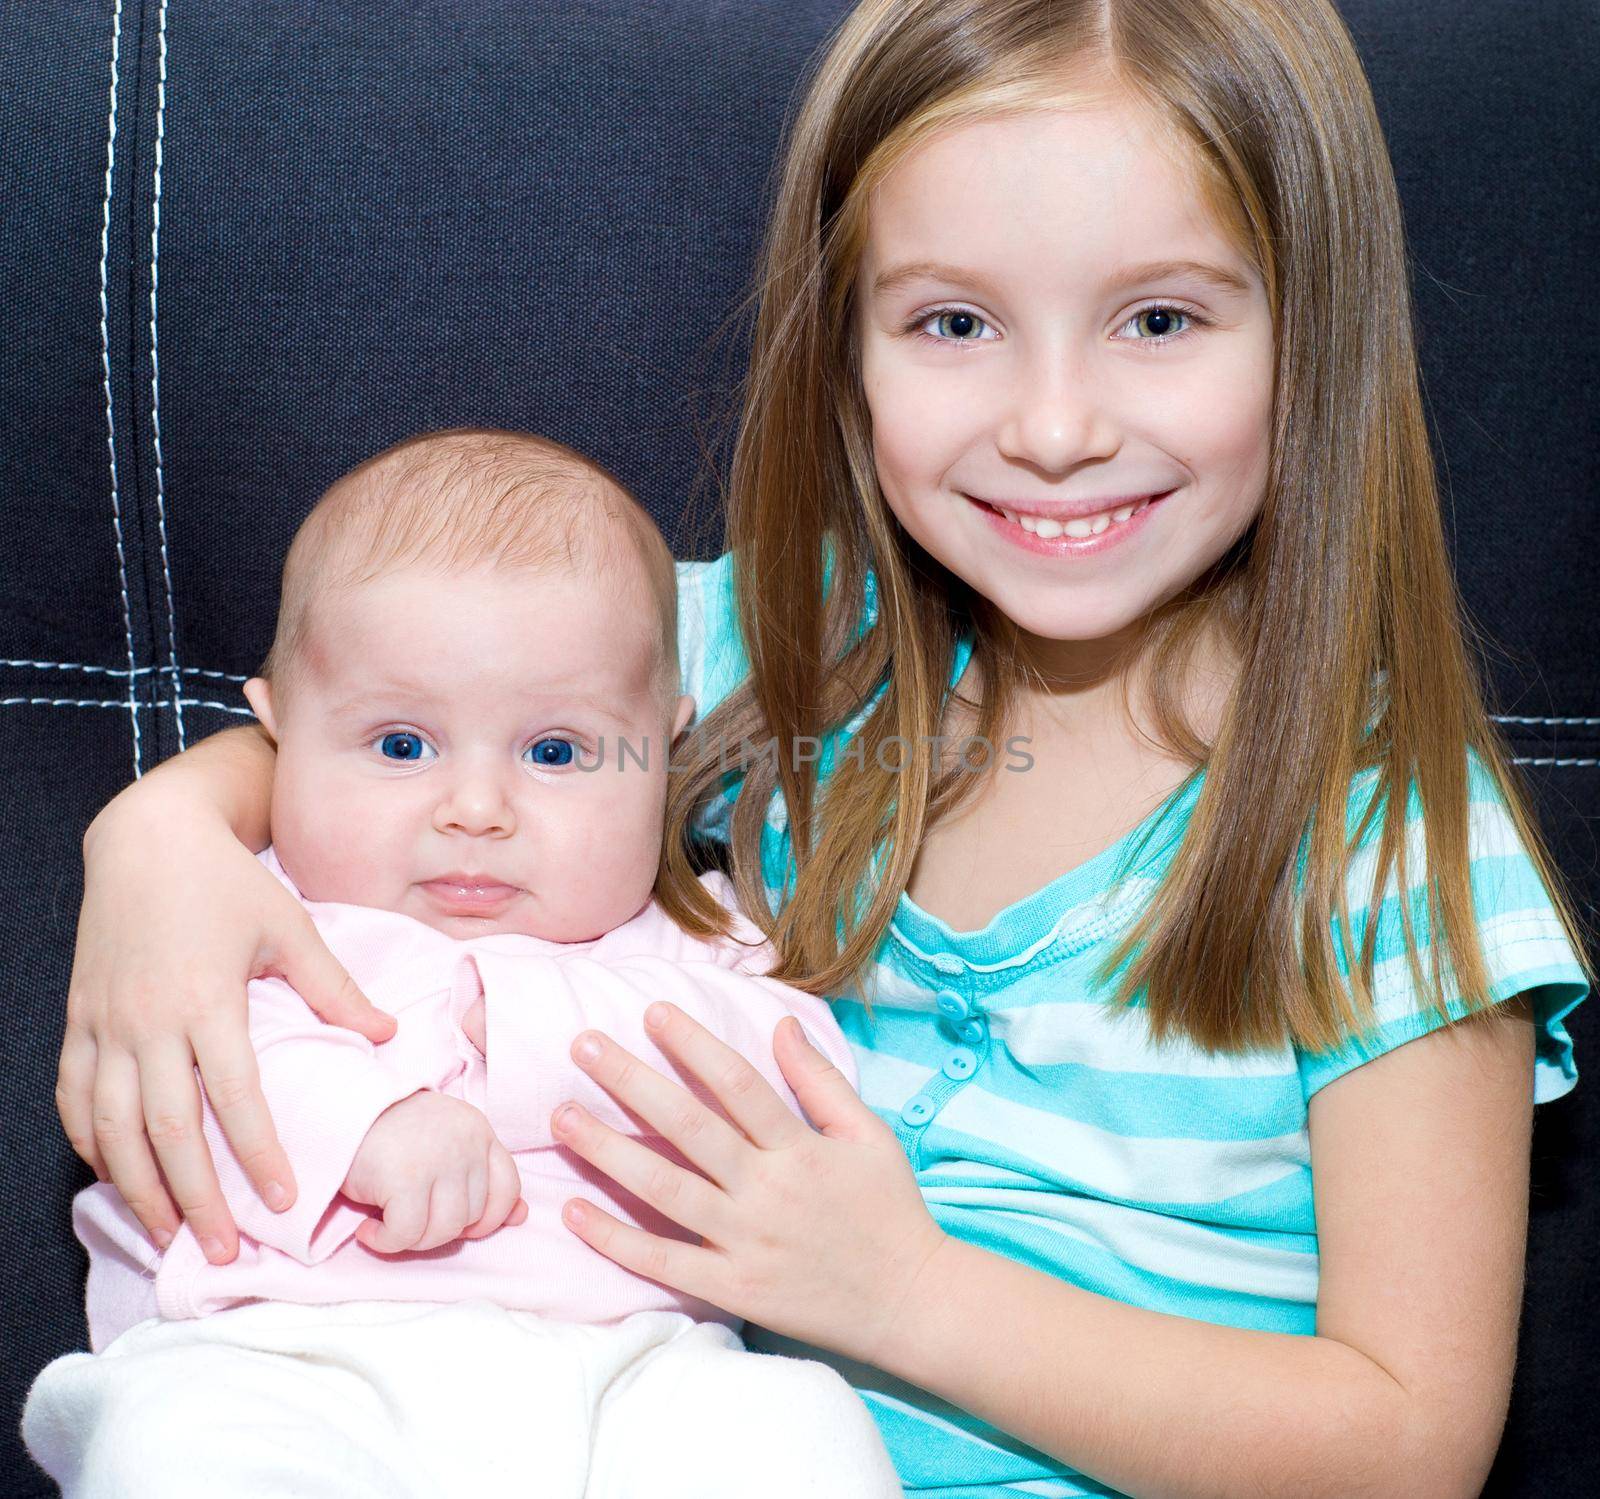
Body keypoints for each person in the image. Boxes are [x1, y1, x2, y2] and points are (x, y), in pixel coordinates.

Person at [53, 1, 1595, 1495]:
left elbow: (1409, 1442)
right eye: (955, 321)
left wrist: (905, 1293)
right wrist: (166, 834)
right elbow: (420, 688)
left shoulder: (1393, 840)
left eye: (1160, 318)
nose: (1053, 424)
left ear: (1310, 333)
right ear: (847, 346)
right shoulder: (794, 655)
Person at [24, 429, 904, 1498]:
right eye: (401, 745)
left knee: (796, 1425)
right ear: (278, 730)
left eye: (554, 752)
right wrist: (365, 1129)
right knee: (182, 1453)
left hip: (641, 1368)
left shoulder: (696, 929)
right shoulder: (250, 906)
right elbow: (170, 1079)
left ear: (660, 751)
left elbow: (796, 1086)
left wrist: (528, 1021)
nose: (477, 810)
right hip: (277, 1354)